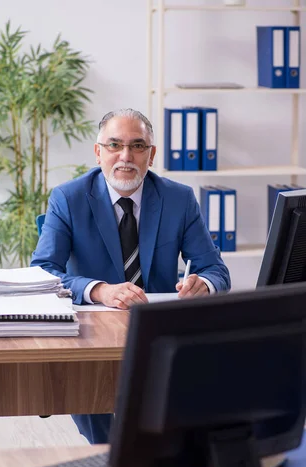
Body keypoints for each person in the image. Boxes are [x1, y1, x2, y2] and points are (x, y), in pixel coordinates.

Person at [31, 108, 231, 444]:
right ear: (98, 152)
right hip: (93, 334)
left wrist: (204, 285)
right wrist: (99, 291)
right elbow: (42, 272)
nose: (126, 157)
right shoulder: (68, 198)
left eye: (138, 146)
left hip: (160, 335)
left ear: (151, 155)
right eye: (114, 145)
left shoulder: (178, 199)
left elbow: (216, 271)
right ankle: (115, 461)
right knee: (108, 426)